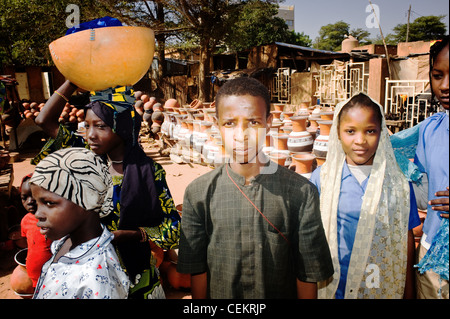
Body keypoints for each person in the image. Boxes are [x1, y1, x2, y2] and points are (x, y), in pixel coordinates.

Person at [177, 77, 334, 299]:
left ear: (269, 123)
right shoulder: (198, 193)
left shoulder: (301, 193)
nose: (241, 136)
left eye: (253, 122)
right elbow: (197, 271)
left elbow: (307, 274)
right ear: (217, 124)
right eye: (230, 123)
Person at [310, 92, 421, 299]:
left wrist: (408, 291)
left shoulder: (398, 183)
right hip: (334, 284)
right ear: (338, 133)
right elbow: (308, 237)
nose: (360, 140)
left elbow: (405, 238)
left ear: (382, 133)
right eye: (350, 131)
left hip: (379, 283)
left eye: (370, 131)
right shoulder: (322, 179)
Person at [30, 147, 130, 299]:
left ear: (87, 200)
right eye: (37, 203)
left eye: (49, 203)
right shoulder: (66, 242)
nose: (38, 214)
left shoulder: (97, 278)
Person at [413, 37, 449, 299]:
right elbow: (423, 192)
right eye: (438, 75)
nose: (445, 86)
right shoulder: (429, 129)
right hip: (432, 257)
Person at [19, 173, 52, 290]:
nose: (29, 201)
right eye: (24, 197)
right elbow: (28, 244)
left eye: (33, 196)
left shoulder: (54, 220)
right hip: (35, 277)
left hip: (53, 276)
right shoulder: (25, 221)